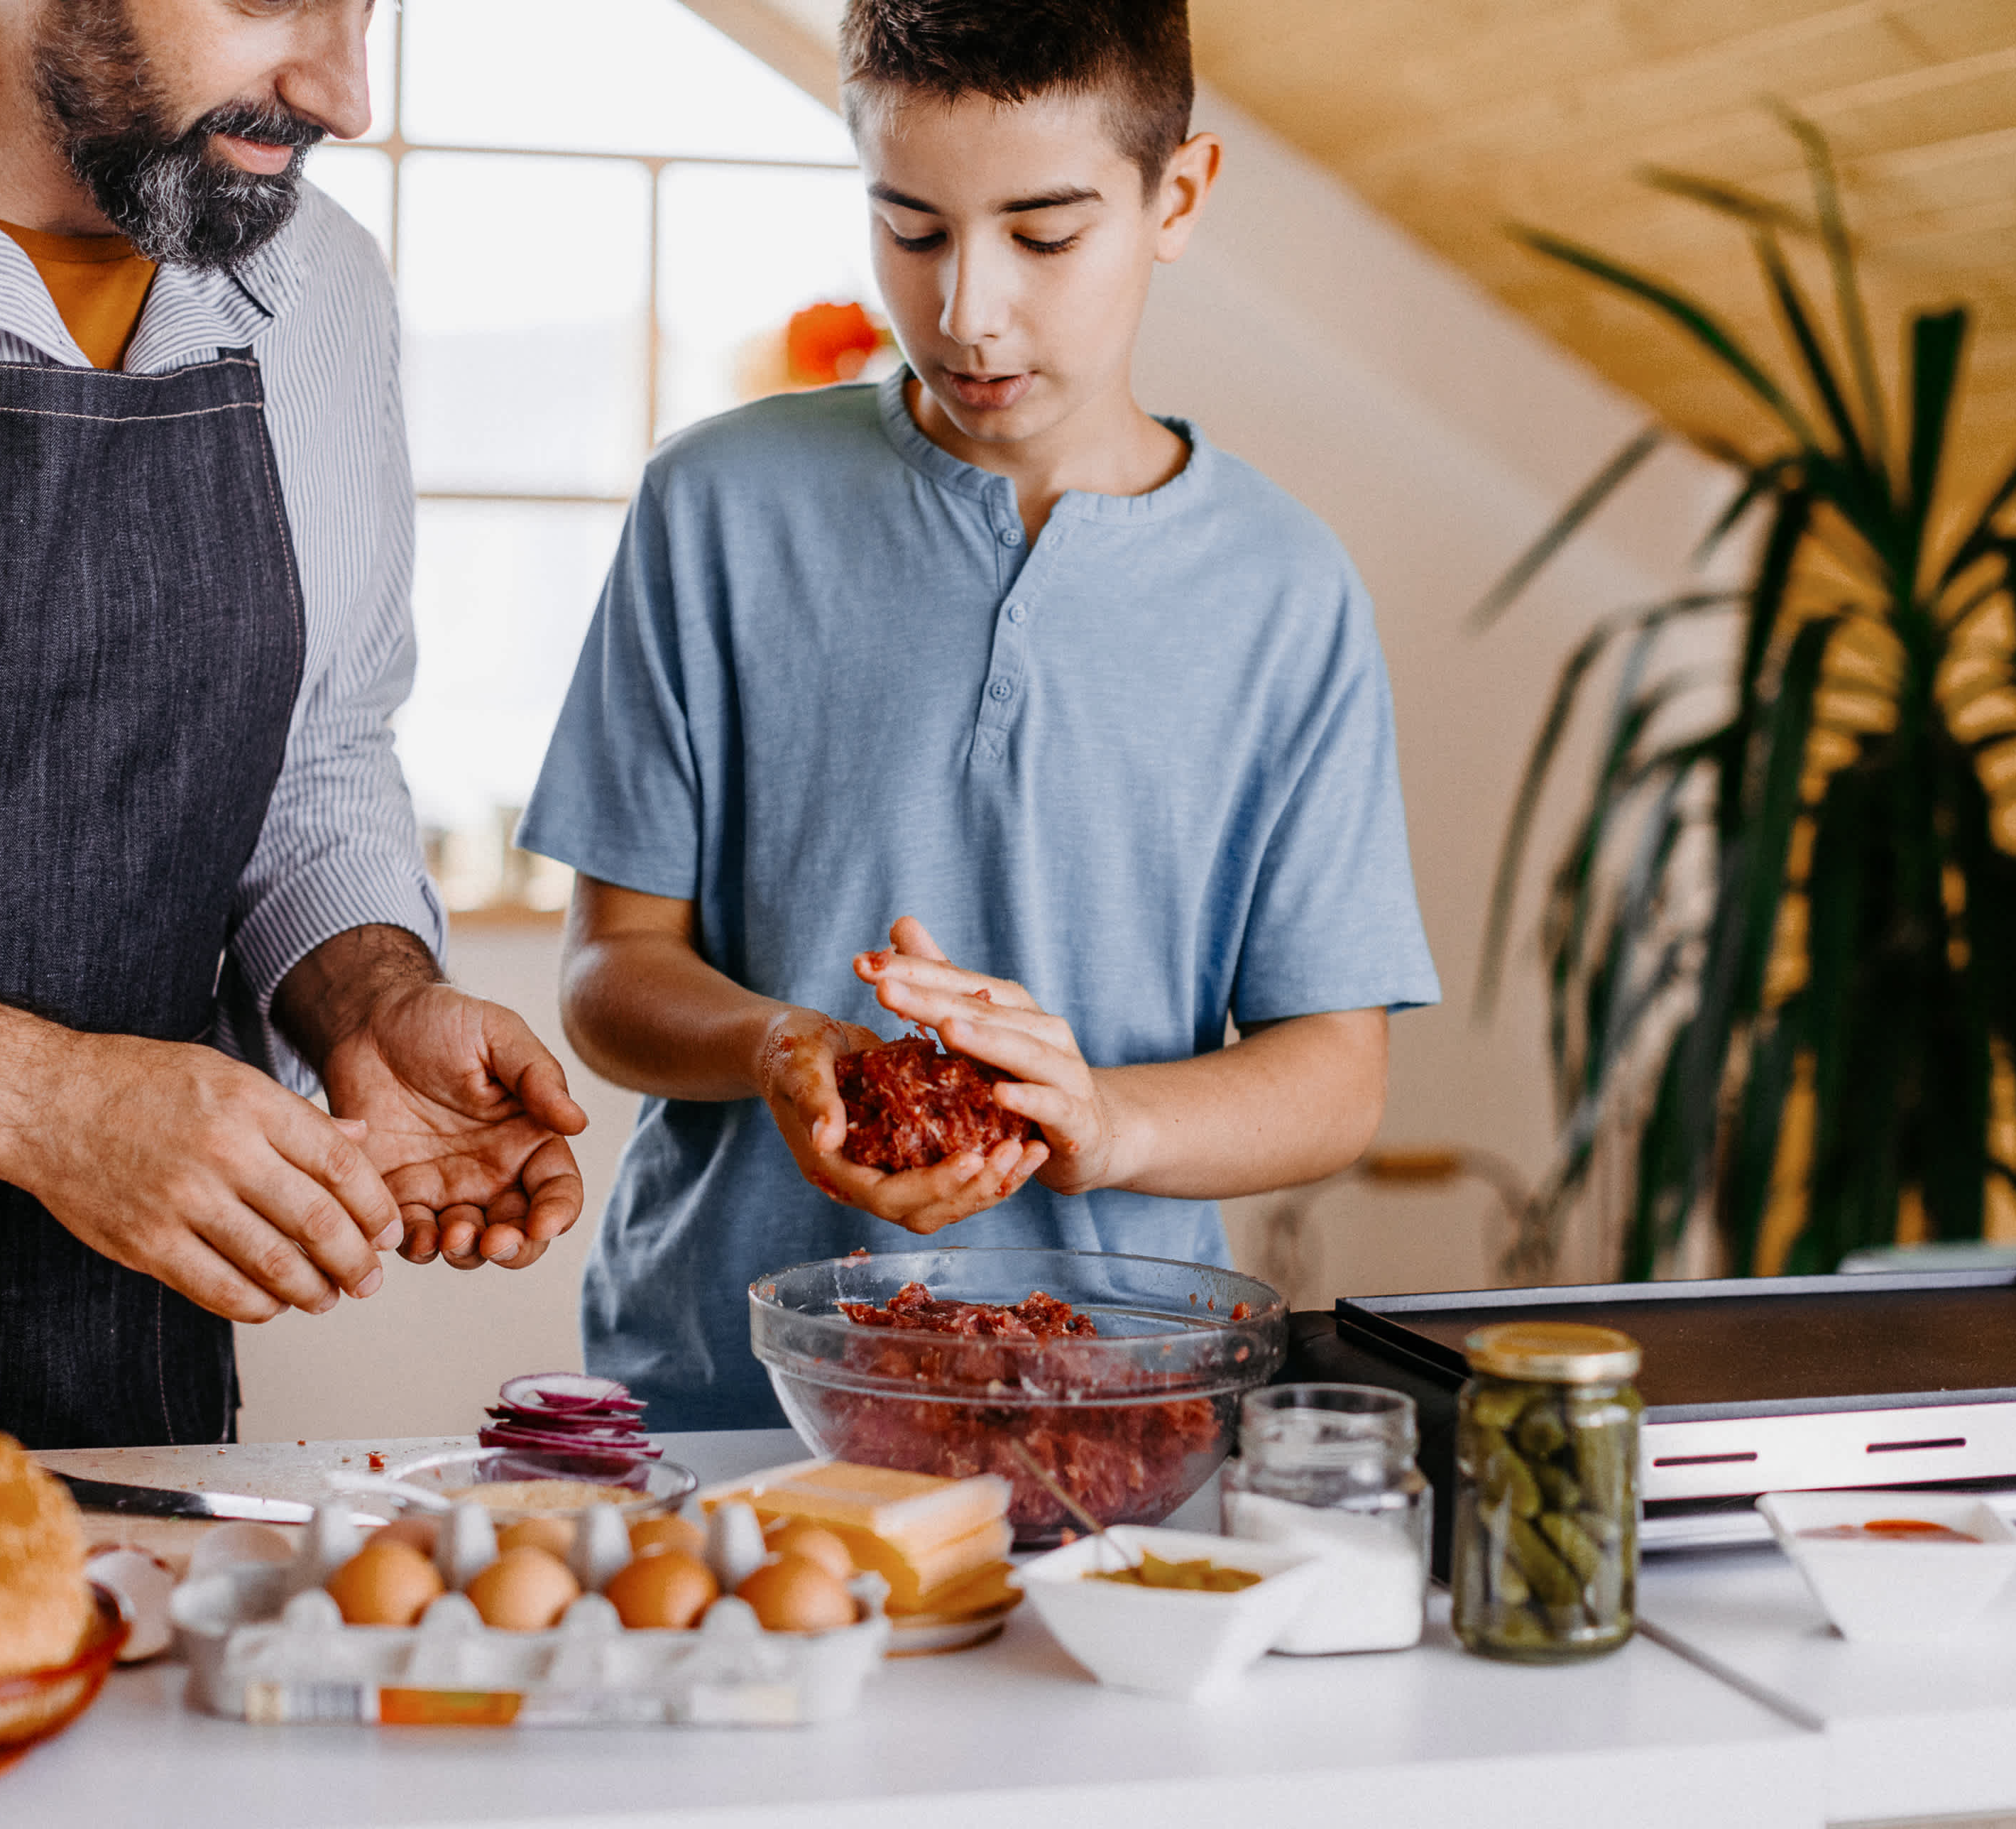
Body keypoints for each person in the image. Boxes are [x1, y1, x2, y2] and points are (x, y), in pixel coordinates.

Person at [0, 0, 587, 1449]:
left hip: (121, 1384)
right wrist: (43, 1103)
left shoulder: (324, 284)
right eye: (275, 2)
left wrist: (368, 997)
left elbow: (320, 756)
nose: (345, 94)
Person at [523, 0, 1439, 1430]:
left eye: (1044, 233)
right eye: (913, 228)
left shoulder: (1286, 587)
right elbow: (611, 970)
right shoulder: (712, 508)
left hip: (1113, 1408)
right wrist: (782, 1045)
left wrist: (1104, 1118)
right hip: (719, 1401)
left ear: (1175, 196)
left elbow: (1334, 1071)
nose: (969, 309)